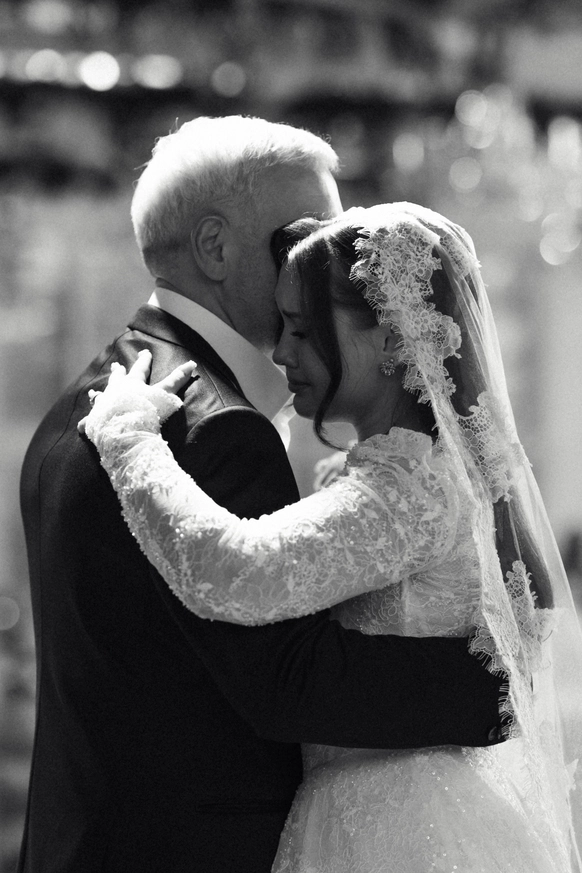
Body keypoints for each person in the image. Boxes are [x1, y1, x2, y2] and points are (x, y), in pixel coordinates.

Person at [19, 118, 506, 873]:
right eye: (302, 234)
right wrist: (491, 689)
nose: (327, 255)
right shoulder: (215, 427)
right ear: (215, 247)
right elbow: (284, 675)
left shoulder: (96, 388)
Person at [82, 203, 582, 872]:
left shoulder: (410, 487)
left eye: (305, 329)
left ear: (392, 341)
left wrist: (129, 439)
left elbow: (235, 571)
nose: (282, 351)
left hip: (404, 833)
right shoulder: (411, 473)